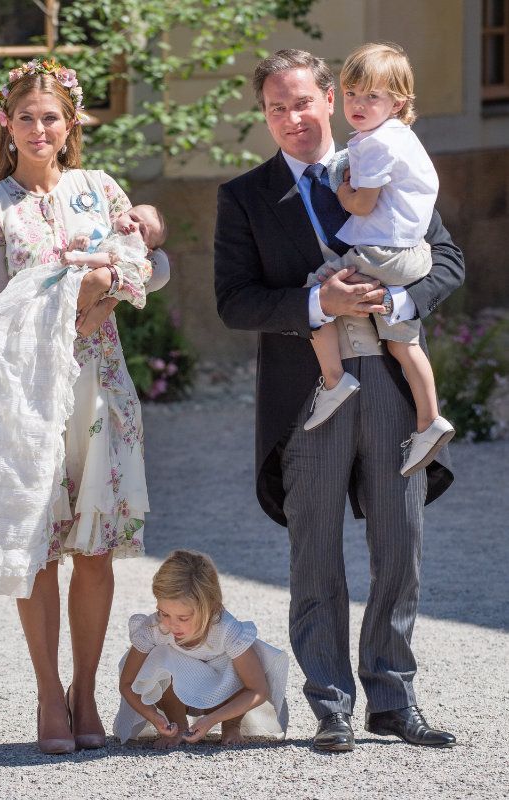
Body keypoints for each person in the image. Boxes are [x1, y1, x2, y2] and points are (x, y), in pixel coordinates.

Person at [0, 58, 169, 755]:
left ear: (71, 122)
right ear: (7, 123)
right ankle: (48, 698)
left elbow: (150, 263)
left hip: (101, 387)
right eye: (25, 116)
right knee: (39, 548)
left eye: (50, 116)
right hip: (29, 392)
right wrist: (66, 305)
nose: (38, 127)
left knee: (94, 550)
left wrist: (110, 288)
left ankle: (87, 693)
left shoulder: (100, 188)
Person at [214, 48, 464, 751]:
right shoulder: (245, 197)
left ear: (332, 98)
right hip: (308, 399)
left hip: (388, 385)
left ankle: (393, 697)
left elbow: (447, 259)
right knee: (315, 554)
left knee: (400, 546)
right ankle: (331, 706)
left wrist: (402, 296)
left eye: (301, 102)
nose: (290, 118)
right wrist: (313, 302)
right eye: (274, 108)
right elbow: (233, 302)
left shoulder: (386, 155)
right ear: (264, 116)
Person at [302, 43, 454, 477]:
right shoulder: (403, 137)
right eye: (351, 93)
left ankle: (333, 381)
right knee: (403, 342)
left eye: (372, 96)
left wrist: (342, 189)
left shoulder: (372, 145)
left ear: (398, 101)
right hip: (411, 254)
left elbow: (362, 205)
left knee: (318, 290)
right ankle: (430, 420)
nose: (358, 105)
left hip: (384, 253)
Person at [113, 549, 289, 748]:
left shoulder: (226, 630)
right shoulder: (155, 628)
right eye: (163, 613)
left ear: (210, 608)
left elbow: (258, 690)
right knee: (160, 656)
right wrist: (153, 716)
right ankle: (177, 724)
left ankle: (231, 726)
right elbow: (127, 683)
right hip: (178, 697)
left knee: (239, 663)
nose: (171, 625)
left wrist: (211, 720)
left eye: (183, 618)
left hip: (221, 697)